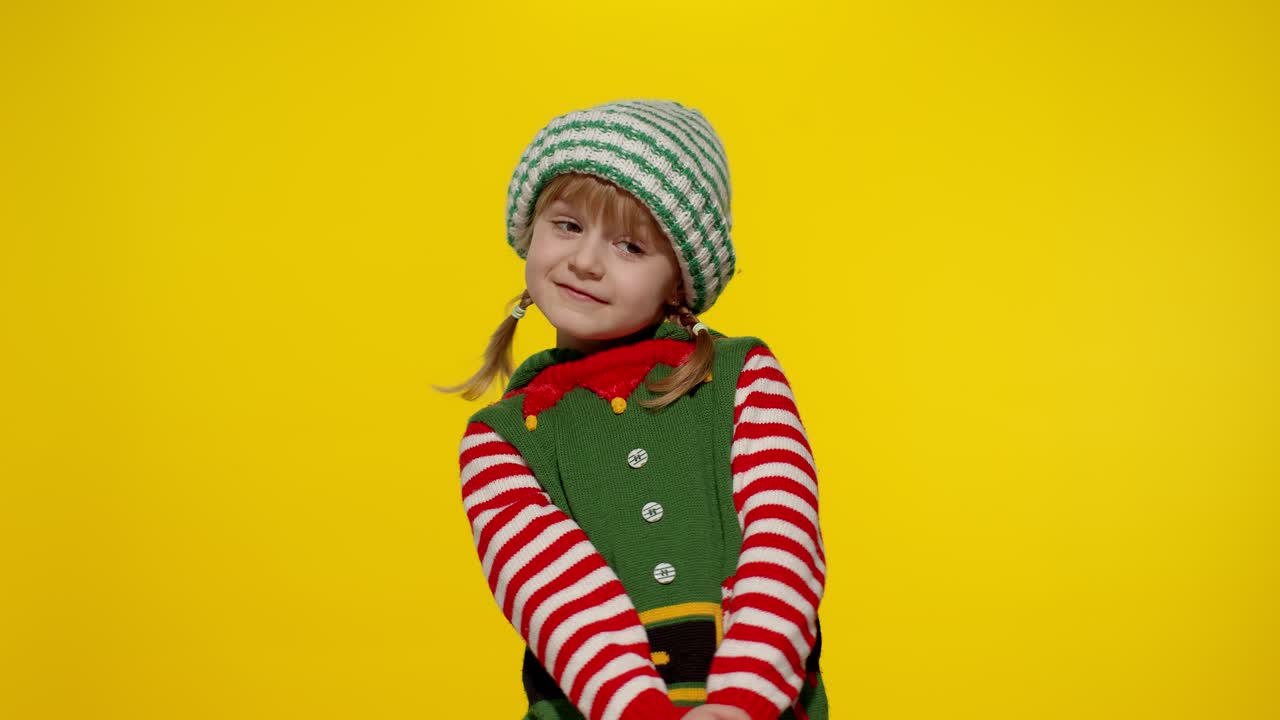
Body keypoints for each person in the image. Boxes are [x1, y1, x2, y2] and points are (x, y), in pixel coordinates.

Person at [437, 99, 828, 720]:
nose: (586, 261)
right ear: (530, 228)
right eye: (568, 225)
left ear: (678, 279)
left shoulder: (742, 378)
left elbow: (784, 541)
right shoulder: (502, 440)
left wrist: (741, 704)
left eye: (629, 246)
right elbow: (557, 600)